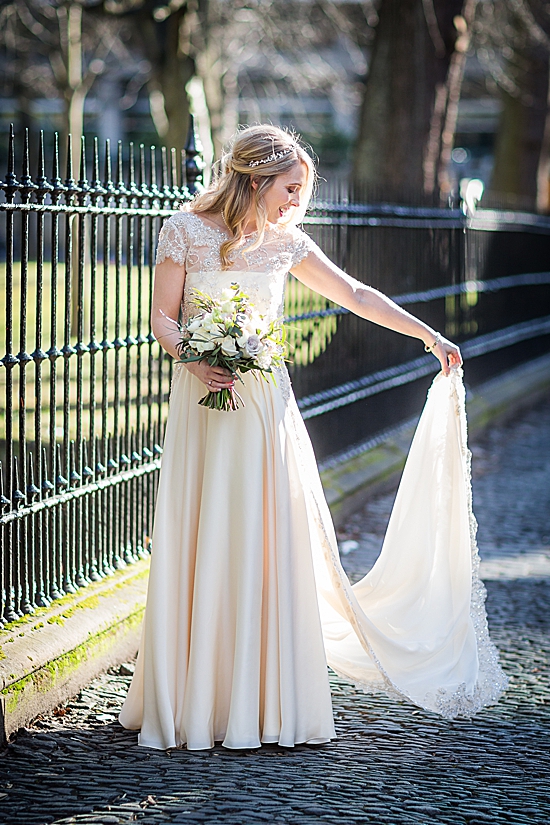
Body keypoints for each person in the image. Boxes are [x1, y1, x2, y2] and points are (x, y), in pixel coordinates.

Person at [119, 125, 507, 751]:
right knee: (204, 526)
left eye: (302, 190)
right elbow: (162, 315)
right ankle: (194, 694)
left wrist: (428, 337)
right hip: (204, 394)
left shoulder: (286, 244)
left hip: (265, 405)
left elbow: (354, 293)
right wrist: (191, 356)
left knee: (266, 535)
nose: (297, 202)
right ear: (255, 180)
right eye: (290, 188)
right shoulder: (184, 231)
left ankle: (266, 698)